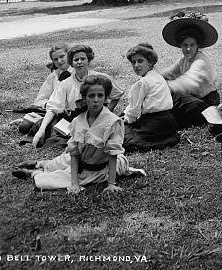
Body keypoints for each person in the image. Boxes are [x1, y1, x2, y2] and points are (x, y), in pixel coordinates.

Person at [12, 74, 144, 192]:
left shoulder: (113, 122)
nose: (96, 100)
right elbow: (74, 153)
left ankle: (35, 173)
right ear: (85, 98)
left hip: (99, 169)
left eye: (100, 96)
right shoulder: (78, 121)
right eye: (91, 96)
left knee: (44, 182)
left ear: (106, 98)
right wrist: (74, 183)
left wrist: (111, 184)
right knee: (65, 160)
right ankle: (41, 164)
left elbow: (113, 153)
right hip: (81, 161)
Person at [31, 44, 124, 149]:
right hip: (75, 119)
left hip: (98, 116)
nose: (79, 62)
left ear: (88, 60)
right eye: (76, 60)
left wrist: (108, 111)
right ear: (71, 63)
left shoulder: (100, 78)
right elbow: (53, 107)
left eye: (82, 59)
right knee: (51, 135)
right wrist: (41, 130)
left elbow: (117, 94)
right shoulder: (65, 84)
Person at [159, 10, 220, 128]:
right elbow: (169, 72)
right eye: (185, 45)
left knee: (176, 101)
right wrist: (152, 77)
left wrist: (163, 87)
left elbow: (186, 83)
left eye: (192, 45)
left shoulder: (200, 62)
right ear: (180, 45)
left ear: (198, 45)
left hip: (206, 102)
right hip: (192, 99)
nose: (188, 49)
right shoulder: (183, 60)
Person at [121, 44, 179, 151]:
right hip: (169, 121)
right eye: (133, 62)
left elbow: (134, 110)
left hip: (153, 124)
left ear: (150, 62)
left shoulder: (143, 83)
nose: (136, 65)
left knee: (122, 134)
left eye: (140, 61)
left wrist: (126, 120)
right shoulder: (158, 77)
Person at [14, 44, 72, 136]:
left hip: (74, 113)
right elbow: (40, 100)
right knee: (24, 127)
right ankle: (31, 121)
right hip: (52, 111)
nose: (59, 61)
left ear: (69, 55)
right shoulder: (53, 77)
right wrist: (50, 104)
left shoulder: (78, 73)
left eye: (62, 57)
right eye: (55, 59)